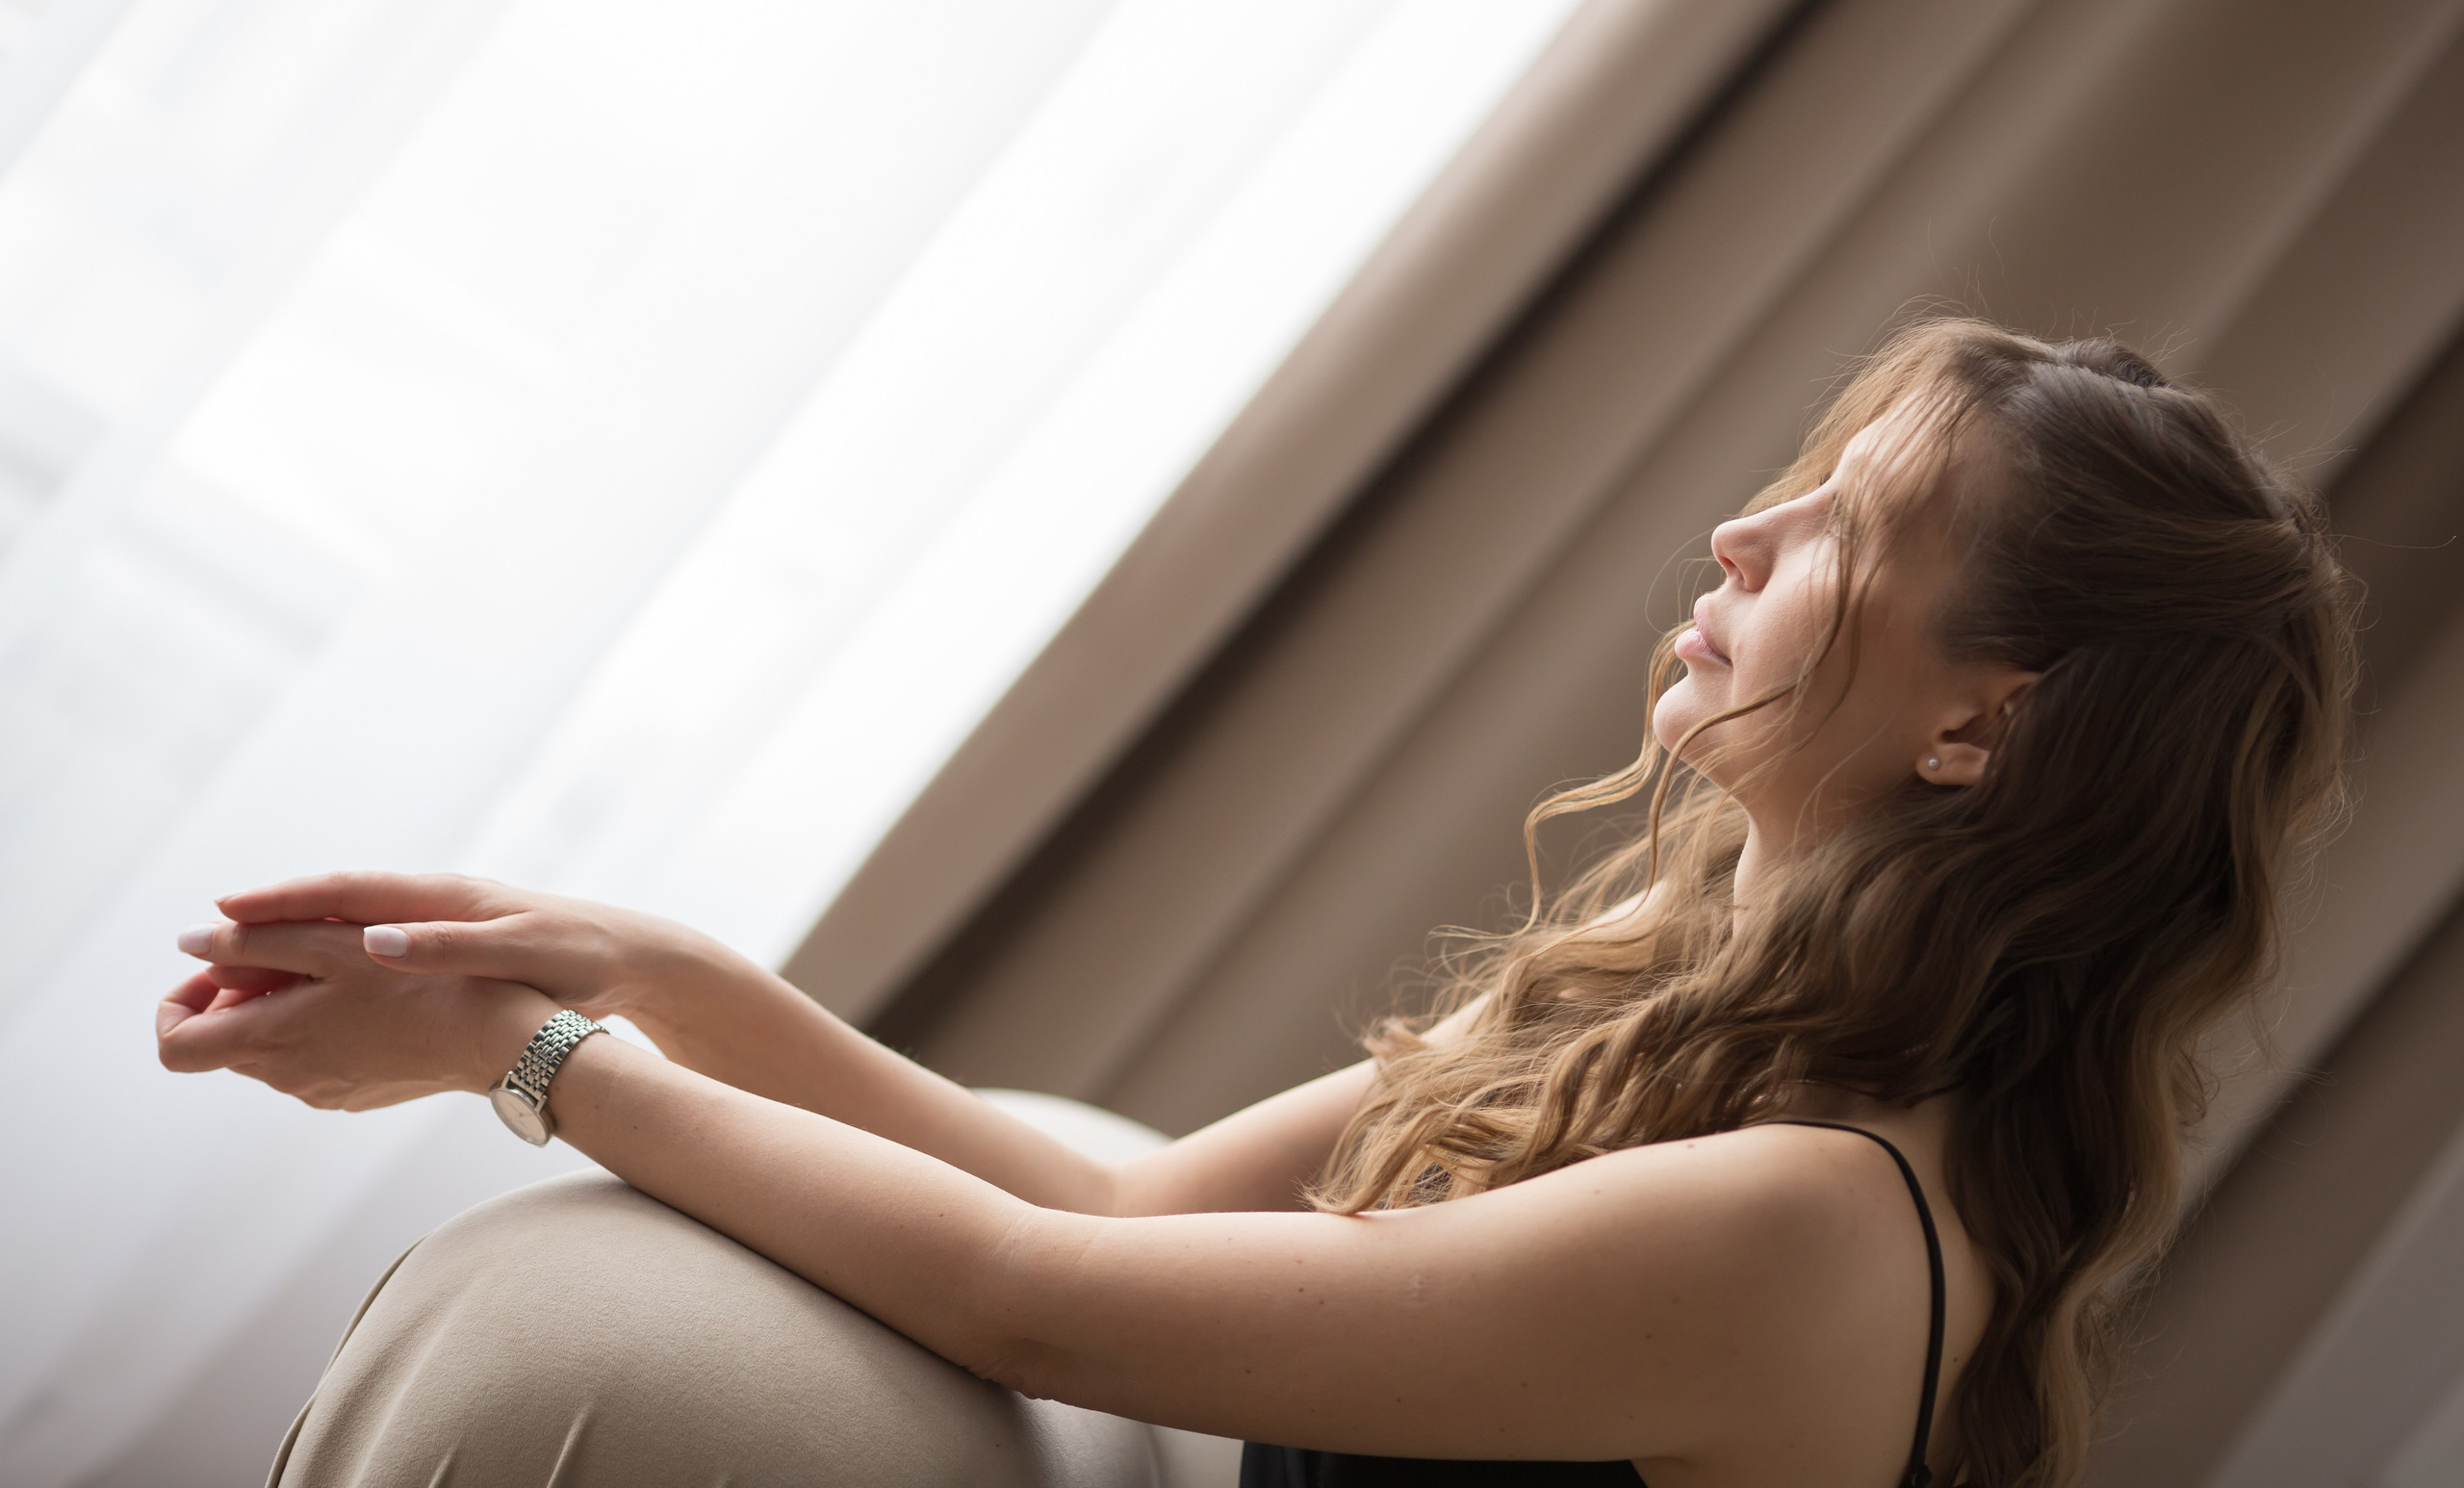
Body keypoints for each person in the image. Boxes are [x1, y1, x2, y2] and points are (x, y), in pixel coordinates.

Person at [156, 317, 2354, 1488]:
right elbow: (1114, 1217)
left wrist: (527, 1061)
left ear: (1976, 729)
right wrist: (640, 963)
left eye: (1838, 524)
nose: (1734, 525)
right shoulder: (1687, 1016)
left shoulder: (1811, 1214)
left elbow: (1034, 1303)